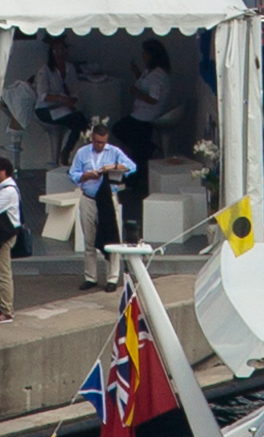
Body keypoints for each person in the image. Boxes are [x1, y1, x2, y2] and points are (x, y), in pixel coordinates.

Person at [68, 124, 136, 292]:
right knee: (89, 239)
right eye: (97, 142)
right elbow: (73, 174)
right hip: (89, 197)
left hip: (108, 199)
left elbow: (132, 167)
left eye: (103, 142)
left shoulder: (114, 151)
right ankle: (90, 277)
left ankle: (112, 278)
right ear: (92, 139)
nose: (100, 145)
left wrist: (113, 167)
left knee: (112, 237)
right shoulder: (82, 152)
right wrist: (86, 175)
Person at [112, 38, 171, 195]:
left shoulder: (158, 75)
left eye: (145, 53)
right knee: (138, 149)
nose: (143, 56)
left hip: (146, 115)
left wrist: (136, 93)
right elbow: (144, 82)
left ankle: (137, 177)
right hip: (140, 113)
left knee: (120, 130)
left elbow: (153, 98)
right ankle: (138, 173)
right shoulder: (149, 71)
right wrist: (136, 72)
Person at [34, 34, 88, 166]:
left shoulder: (69, 68)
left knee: (80, 121)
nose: (59, 53)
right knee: (79, 120)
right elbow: (43, 95)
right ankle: (66, 153)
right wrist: (60, 99)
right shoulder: (45, 70)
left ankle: (67, 151)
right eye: (56, 50)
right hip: (45, 109)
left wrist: (71, 100)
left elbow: (75, 89)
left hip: (63, 108)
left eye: (62, 50)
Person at [0, 158, 20, 323]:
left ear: (3, 172)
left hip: (5, 237)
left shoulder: (8, 191)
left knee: (3, 273)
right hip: (3, 234)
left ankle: (7, 311)